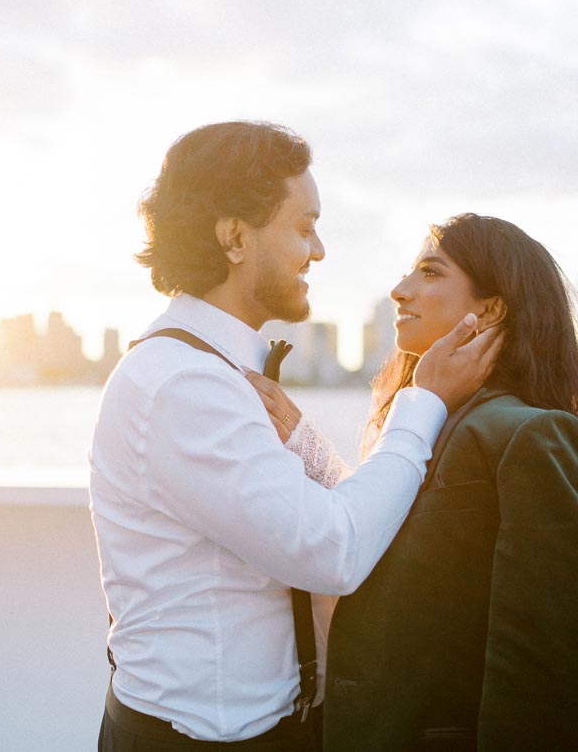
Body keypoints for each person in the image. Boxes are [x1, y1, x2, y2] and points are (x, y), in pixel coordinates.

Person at [89, 122, 502, 751]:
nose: (319, 250)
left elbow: (314, 517)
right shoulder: (183, 384)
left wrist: (307, 442)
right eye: (304, 226)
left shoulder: (217, 373)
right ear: (233, 237)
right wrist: (423, 403)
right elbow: (331, 550)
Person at [249, 213, 578, 751]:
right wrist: (308, 449)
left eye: (431, 273)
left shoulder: (534, 435)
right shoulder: (429, 422)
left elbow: (554, 671)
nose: (400, 290)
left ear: (489, 309)